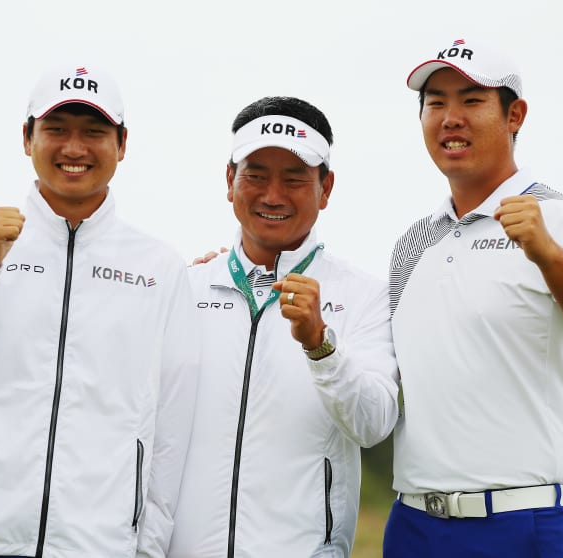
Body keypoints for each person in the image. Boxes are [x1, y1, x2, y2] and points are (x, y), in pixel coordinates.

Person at [0, 62, 200, 558]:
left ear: (121, 144)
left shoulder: (160, 266)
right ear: (27, 137)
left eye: (93, 132)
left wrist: (149, 546)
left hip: (99, 544)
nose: (73, 148)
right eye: (55, 129)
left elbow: (173, 425)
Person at [384, 38, 563, 557]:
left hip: (534, 524)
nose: (450, 117)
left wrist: (549, 255)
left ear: (514, 114)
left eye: (471, 101)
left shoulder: (562, 220)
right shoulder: (411, 244)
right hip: (415, 527)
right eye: (436, 102)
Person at [168, 96, 400, 557]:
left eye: (294, 179)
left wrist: (322, 345)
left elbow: (375, 424)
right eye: (256, 175)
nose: (273, 195)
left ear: (326, 188)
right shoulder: (183, 289)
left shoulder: (364, 295)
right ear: (230, 181)